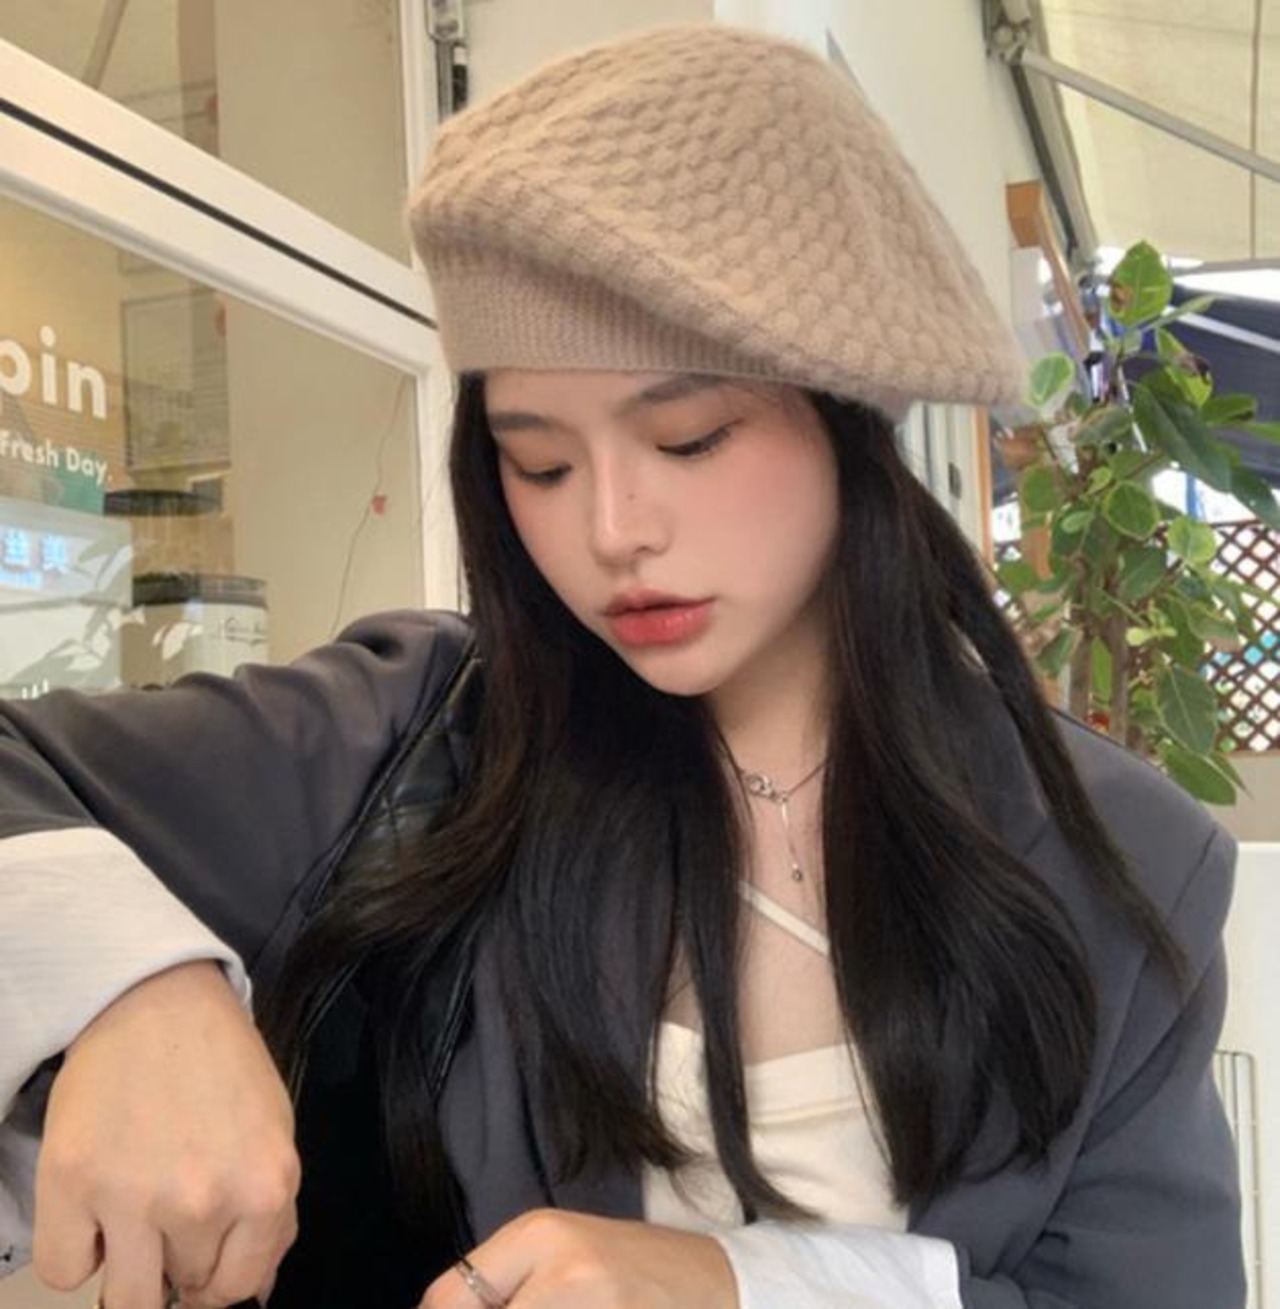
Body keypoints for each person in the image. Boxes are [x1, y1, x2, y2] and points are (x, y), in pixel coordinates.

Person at [0, 22, 1244, 1309]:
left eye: (688, 438)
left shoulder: (1115, 857)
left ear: (848, 419)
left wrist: (748, 1288)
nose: (609, 530)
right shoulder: (413, 740)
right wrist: (134, 988)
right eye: (537, 461)